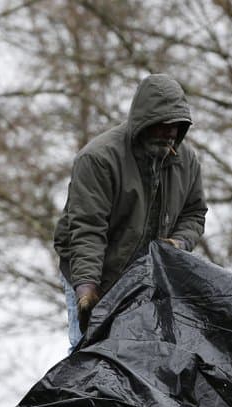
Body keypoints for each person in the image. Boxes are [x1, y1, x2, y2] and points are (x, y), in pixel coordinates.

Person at [53, 74, 208, 348]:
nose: (170, 133)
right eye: (162, 125)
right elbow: (88, 229)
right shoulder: (99, 159)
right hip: (96, 270)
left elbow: (194, 213)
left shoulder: (187, 161)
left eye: (176, 126)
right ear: (145, 122)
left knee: (143, 353)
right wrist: (87, 288)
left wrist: (178, 244)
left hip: (146, 277)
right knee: (87, 353)